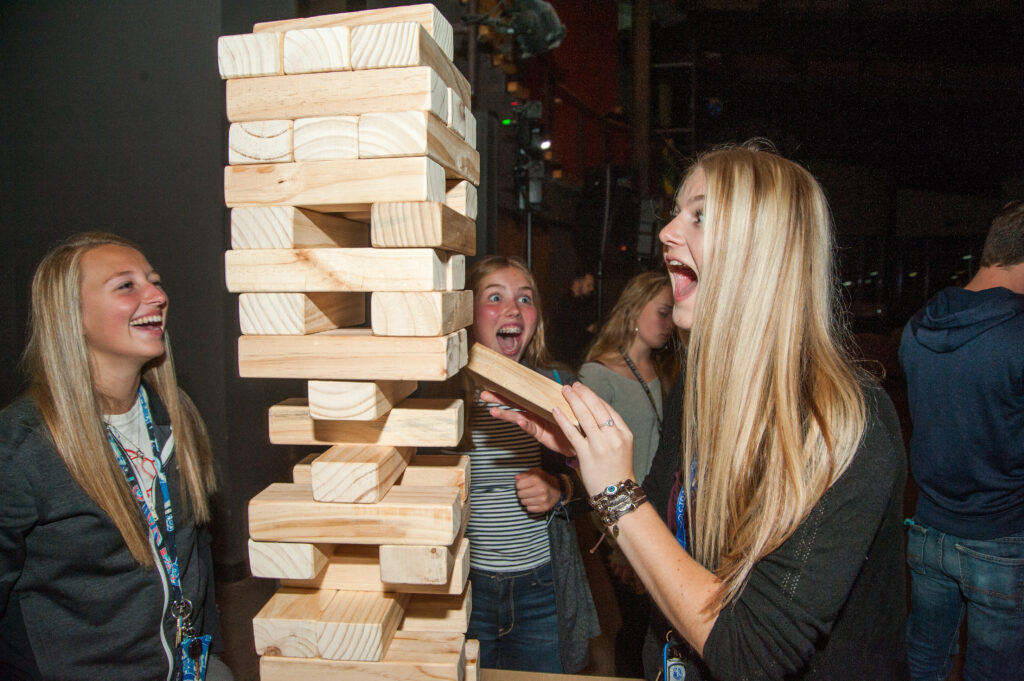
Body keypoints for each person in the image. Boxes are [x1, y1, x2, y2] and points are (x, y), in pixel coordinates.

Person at [483, 143, 909, 681]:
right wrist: (587, 457)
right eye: (676, 212)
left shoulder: (845, 424)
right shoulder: (700, 385)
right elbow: (656, 538)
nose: (666, 232)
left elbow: (750, 652)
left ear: (763, 250)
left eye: (700, 216)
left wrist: (615, 489)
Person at [0, 233, 232, 681]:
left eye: (154, 282)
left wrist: (211, 659)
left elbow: (193, 554)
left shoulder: (176, 416)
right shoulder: (21, 446)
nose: (158, 296)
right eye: (126, 286)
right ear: (72, 316)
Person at [433, 255, 599, 673]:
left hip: (540, 584)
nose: (513, 309)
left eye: (524, 299)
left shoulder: (557, 385)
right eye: (495, 297)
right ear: (468, 314)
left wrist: (561, 488)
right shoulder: (440, 393)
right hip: (466, 588)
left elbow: (604, 484)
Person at [899, 200, 1024, 681]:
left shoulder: (919, 325)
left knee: (924, 660)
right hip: (1001, 536)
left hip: (928, 531)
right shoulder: (1016, 334)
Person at [578, 269, 682, 677]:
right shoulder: (597, 376)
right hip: (624, 521)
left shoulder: (668, 369)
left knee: (657, 625)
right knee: (633, 627)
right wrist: (618, 543)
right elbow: (588, 468)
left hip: (663, 515)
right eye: (662, 311)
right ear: (634, 309)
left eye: (672, 313)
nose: (669, 322)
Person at [549, 267, 598, 369]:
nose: (591, 289)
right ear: (578, 283)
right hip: (567, 358)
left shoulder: (584, 302)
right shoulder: (565, 303)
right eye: (588, 285)